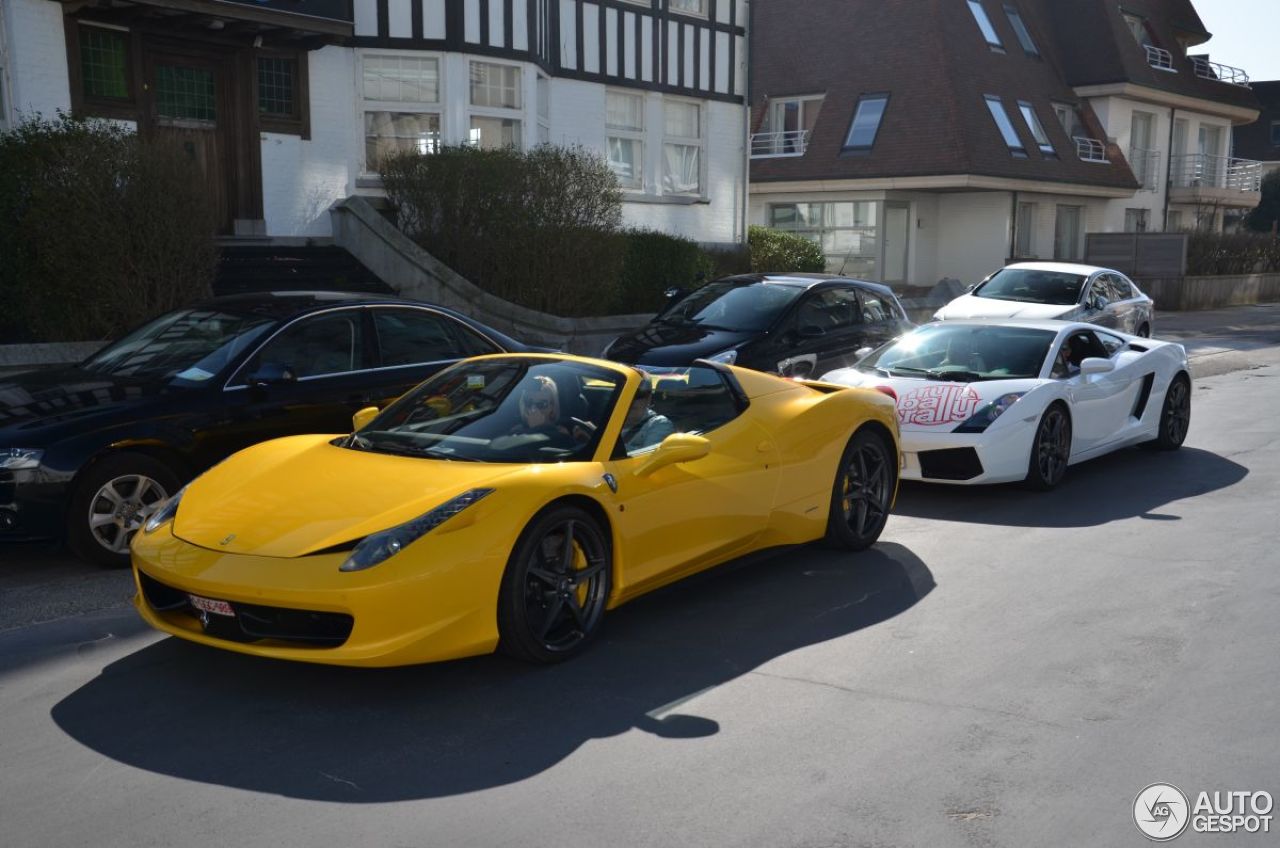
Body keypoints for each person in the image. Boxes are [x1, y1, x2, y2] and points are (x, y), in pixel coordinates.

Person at [621, 379, 675, 454]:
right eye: (625, 394)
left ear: (648, 399)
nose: (630, 399)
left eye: (637, 395)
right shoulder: (607, 417)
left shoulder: (660, 424)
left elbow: (648, 457)